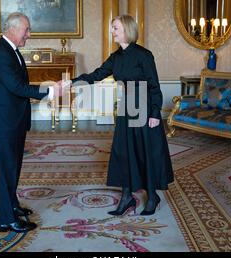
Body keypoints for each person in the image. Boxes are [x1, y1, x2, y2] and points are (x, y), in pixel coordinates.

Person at [66, 14, 174, 216]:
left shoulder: (144, 55)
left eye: (115, 28)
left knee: (144, 151)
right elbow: (96, 75)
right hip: (126, 107)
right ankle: (126, 197)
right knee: (125, 151)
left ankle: (152, 195)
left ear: (126, 30)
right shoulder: (115, 57)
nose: (112, 31)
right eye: (112, 28)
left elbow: (154, 86)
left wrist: (154, 113)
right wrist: (71, 82)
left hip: (144, 107)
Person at [0, 12, 61, 233]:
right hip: (5, 124)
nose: (29, 34)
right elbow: (16, 87)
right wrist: (49, 90)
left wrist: (48, 89)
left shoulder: (11, 50)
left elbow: (18, 84)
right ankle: (6, 219)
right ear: (13, 29)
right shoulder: (1, 53)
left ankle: (13, 206)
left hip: (14, 122)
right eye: (26, 30)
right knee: (7, 170)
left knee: (14, 167)